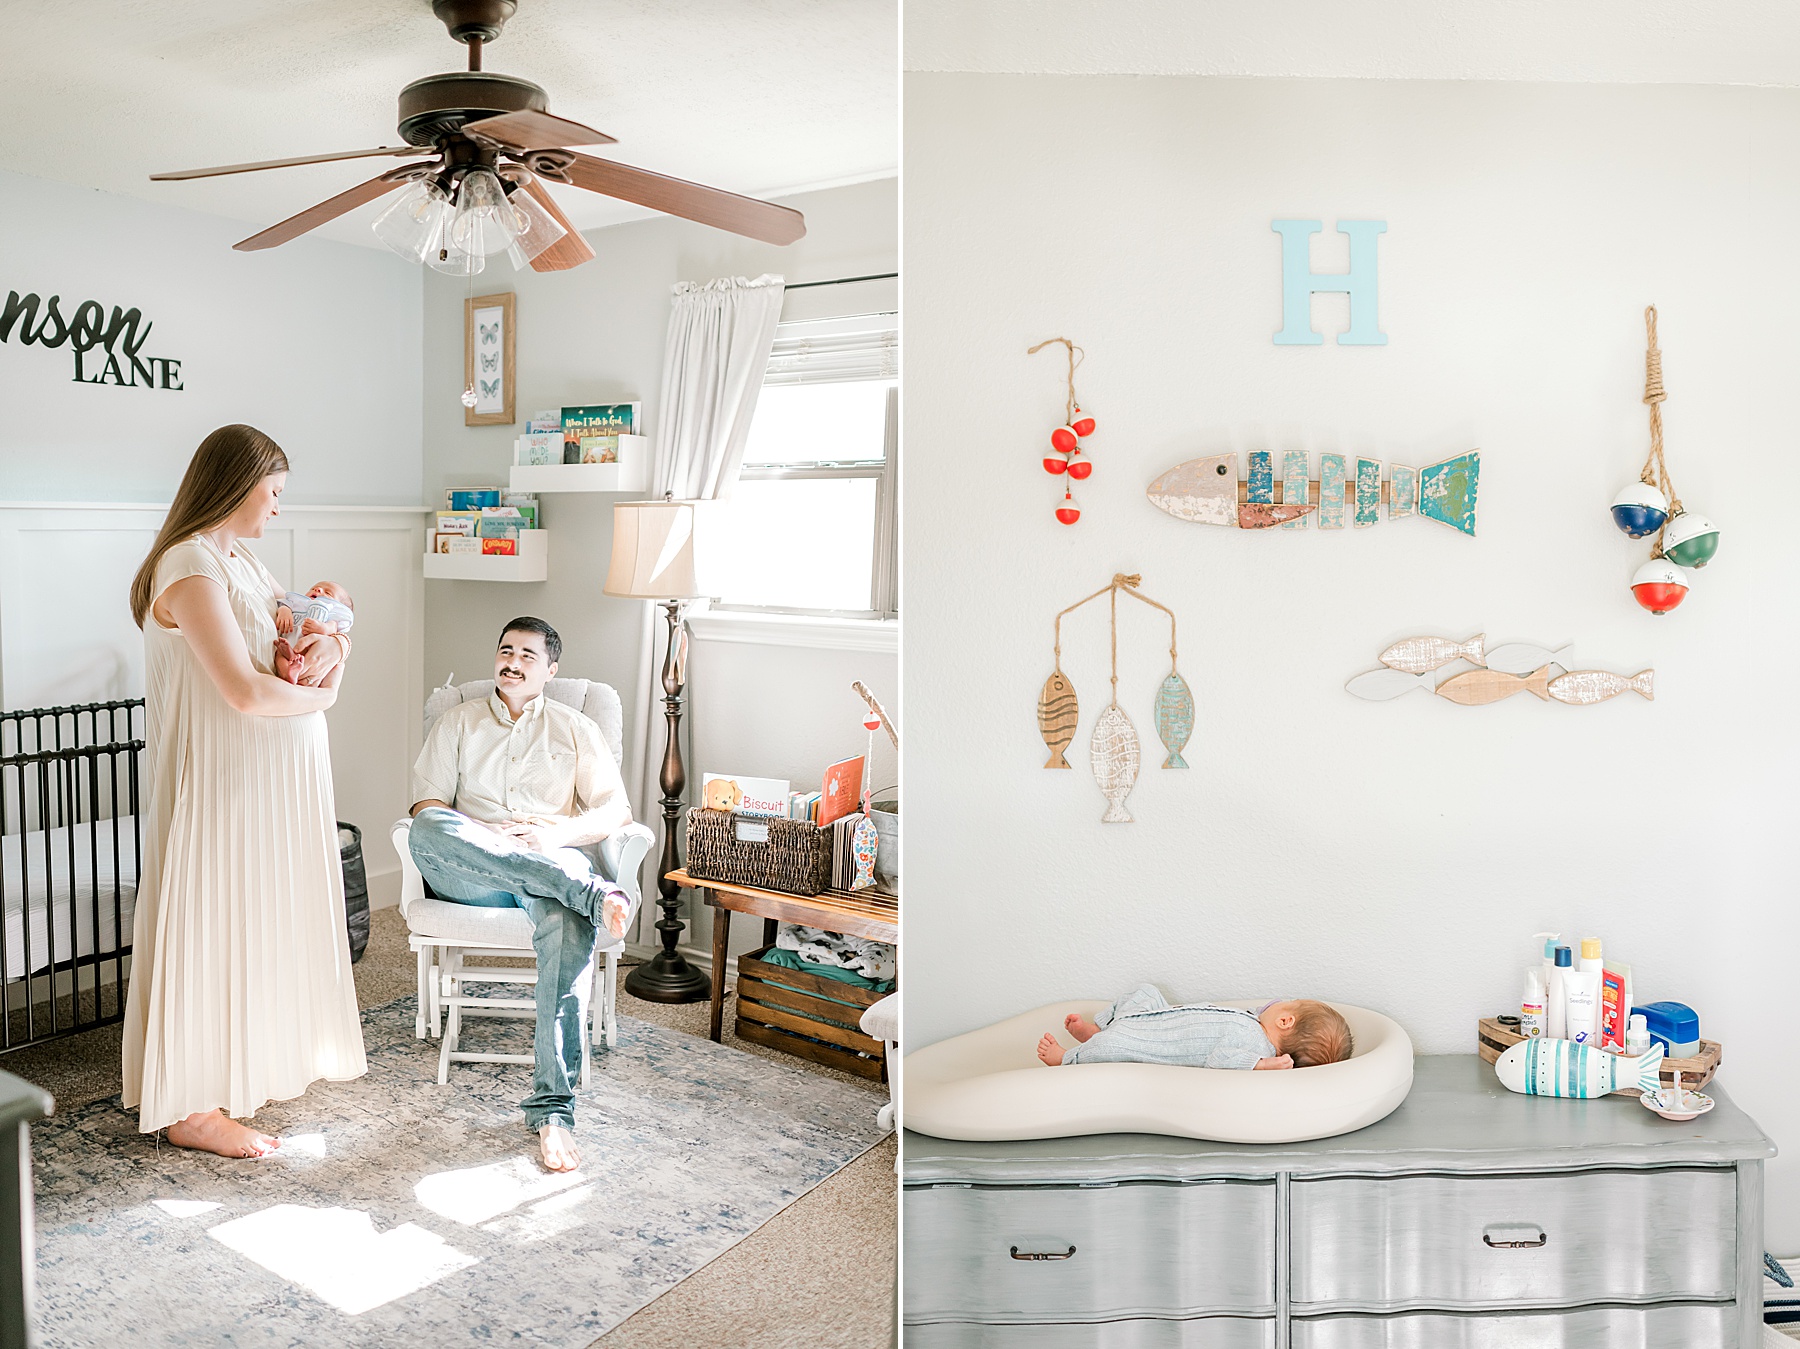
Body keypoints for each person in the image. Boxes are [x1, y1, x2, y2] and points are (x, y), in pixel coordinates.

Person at [121, 424, 365, 1158]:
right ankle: (190, 1107)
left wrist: (333, 643)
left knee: (248, 929)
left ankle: (226, 1077)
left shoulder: (245, 562)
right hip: (218, 784)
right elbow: (242, 692)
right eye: (276, 491)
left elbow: (285, 657)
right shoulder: (189, 564)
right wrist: (323, 697)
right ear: (238, 482)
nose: (280, 508)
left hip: (261, 784)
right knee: (207, 924)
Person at [407, 617, 637, 1173]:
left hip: (546, 860)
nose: (511, 662)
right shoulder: (458, 722)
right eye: (505, 650)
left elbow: (615, 811)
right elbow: (426, 809)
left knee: (564, 919)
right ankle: (585, 890)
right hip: (473, 871)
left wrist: (555, 835)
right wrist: (488, 838)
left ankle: (553, 1111)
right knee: (427, 831)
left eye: (527, 655)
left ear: (550, 670)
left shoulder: (576, 727)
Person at [1036, 984, 1354, 1069]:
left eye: (1284, 1003)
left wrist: (1265, 1064)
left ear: (1285, 1021)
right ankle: (1099, 1029)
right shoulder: (1254, 1023)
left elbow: (1221, 1059)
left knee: (1110, 1048)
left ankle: (1067, 1058)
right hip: (1160, 1017)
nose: (1272, 1003)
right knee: (1145, 991)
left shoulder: (1257, 1048)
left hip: (1150, 1041)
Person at [274, 580, 354, 683]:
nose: (318, 589)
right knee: (279, 655)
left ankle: (294, 672)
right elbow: (283, 605)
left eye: (327, 592)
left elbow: (332, 628)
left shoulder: (331, 613)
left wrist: (322, 628)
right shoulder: (298, 603)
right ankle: (287, 674)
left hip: (309, 650)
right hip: (288, 643)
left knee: (291, 654)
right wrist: (284, 611)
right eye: (314, 588)